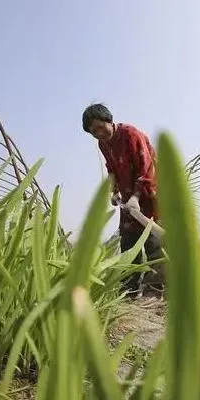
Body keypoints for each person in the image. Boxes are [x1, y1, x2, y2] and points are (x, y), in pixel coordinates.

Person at [82, 103, 165, 294]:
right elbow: (111, 168)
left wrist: (137, 196)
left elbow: (147, 167)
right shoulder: (103, 144)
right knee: (128, 242)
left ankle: (154, 291)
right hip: (128, 199)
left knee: (152, 241)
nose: (99, 134)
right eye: (93, 132)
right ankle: (130, 290)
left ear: (109, 121)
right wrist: (114, 191)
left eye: (100, 127)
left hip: (149, 194)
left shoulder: (130, 134)